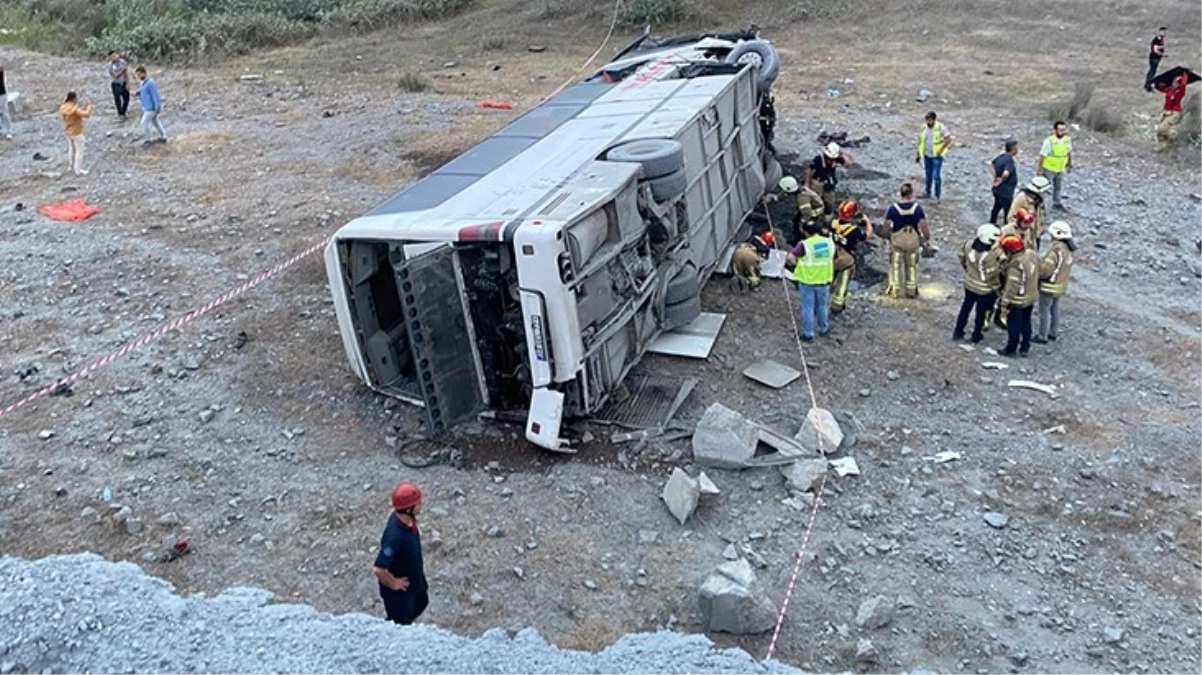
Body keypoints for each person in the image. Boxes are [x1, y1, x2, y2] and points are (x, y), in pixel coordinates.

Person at [373, 483, 429, 626]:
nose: (421, 505)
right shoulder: (394, 537)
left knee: (422, 602)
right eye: (417, 503)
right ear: (409, 509)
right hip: (400, 595)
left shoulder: (407, 520)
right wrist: (393, 583)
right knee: (401, 622)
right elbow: (379, 569)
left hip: (414, 582)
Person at [954, 224, 1004, 343]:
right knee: (980, 313)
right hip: (984, 289)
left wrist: (968, 270)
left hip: (969, 284)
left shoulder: (968, 244)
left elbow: (961, 256)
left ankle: (958, 331)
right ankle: (976, 335)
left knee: (965, 308)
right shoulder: (990, 256)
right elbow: (991, 275)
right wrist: (997, 288)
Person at [786, 221, 835, 342]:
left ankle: (808, 334)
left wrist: (795, 264)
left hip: (807, 281)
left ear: (806, 232)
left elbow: (790, 257)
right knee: (822, 306)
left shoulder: (805, 245)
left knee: (808, 308)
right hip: (824, 280)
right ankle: (824, 328)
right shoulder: (829, 242)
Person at [883, 183, 930, 299]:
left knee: (895, 265)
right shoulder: (917, 208)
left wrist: (885, 237)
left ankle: (895, 290)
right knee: (912, 265)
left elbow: (887, 225)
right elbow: (923, 225)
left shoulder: (893, 209)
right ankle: (911, 290)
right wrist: (927, 237)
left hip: (897, 241)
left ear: (901, 194)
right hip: (912, 241)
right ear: (911, 194)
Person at [1033, 221, 1075, 344]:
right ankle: (1053, 332)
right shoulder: (1069, 249)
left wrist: (1038, 271)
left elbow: (1046, 270)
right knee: (1055, 308)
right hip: (1060, 285)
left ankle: (1042, 336)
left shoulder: (1055, 250)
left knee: (1044, 310)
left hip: (1049, 286)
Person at [829, 198, 873, 313]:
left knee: (829, 279)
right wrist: (867, 222)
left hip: (831, 256)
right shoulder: (854, 230)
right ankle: (837, 305)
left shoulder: (833, 224)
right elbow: (868, 235)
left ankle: (825, 298)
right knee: (843, 281)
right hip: (845, 259)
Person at [998, 234, 1038, 357]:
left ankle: (1011, 349)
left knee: (1013, 326)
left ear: (1010, 250)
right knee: (1026, 322)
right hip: (1030, 297)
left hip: (1018, 300)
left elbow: (1011, 287)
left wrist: (1004, 303)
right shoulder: (1031, 254)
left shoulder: (1015, 265)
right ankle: (1025, 347)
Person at [804, 142, 853, 216]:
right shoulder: (819, 159)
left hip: (829, 183)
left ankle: (828, 217)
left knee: (830, 203)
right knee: (815, 202)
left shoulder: (836, 158)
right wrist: (807, 184)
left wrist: (842, 154)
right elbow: (809, 170)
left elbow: (848, 164)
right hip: (817, 183)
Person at [1006, 176, 1051, 250]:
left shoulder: (1038, 199)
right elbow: (1011, 217)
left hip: (1035, 234)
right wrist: (1019, 232)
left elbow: (1040, 215)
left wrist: (1040, 229)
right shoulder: (1021, 198)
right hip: (1024, 235)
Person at [1036, 121, 1072, 211]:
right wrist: (1039, 170)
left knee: (1058, 187)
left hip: (1060, 168)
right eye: (1060, 130)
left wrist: (1069, 163)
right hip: (1049, 168)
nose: (1062, 132)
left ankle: (1057, 203)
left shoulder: (1067, 140)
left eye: (1063, 130)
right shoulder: (1049, 141)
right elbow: (1042, 156)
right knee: (1043, 187)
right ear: (1055, 130)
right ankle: (1040, 204)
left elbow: (1068, 152)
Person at [916, 111, 952, 200]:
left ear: (934, 120)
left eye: (930, 120)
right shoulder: (924, 127)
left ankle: (937, 195)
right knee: (928, 175)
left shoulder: (940, 128)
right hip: (927, 155)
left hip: (936, 156)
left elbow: (948, 139)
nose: (928, 122)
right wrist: (918, 154)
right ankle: (927, 192)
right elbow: (921, 141)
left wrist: (940, 150)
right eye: (927, 120)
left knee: (936, 176)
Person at [59, 92, 92, 176]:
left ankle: (71, 166)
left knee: (71, 149)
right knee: (79, 151)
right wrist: (89, 106)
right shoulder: (74, 109)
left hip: (68, 131)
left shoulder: (63, 107)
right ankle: (78, 170)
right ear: (74, 99)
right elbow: (86, 114)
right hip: (77, 132)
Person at [1154, 71, 1189, 152]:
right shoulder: (1170, 90)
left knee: (1161, 129)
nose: (1174, 83)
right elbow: (1160, 88)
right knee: (1163, 132)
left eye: (1176, 82)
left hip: (1174, 113)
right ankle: (1164, 145)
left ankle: (1173, 138)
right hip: (1166, 112)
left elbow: (1183, 85)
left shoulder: (1180, 92)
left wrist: (1184, 74)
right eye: (1173, 81)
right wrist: (1157, 82)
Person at [988, 140, 1019, 225]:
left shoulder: (1001, 157)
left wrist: (995, 176)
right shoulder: (1009, 161)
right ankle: (1006, 226)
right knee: (1008, 211)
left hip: (997, 190)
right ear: (1013, 150)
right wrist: (1001, 180)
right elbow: (1006, 173)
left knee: (996, 207)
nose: (1017, 150)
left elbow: (991, 164)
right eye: (1016, 149)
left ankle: (992, 222)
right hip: (1006, 192)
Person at [134, 65, 167, 145]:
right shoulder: (143, 83)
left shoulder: (150, 83)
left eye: (139, 74)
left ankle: (148, 140)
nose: (138, 76)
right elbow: (143, 91)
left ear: (144, 73)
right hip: (147, 106)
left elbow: (155, 95)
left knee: (144, 123)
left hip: (151, 108)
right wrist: (137, 93)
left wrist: (157, 107)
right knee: (155, 122)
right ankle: (163, 136)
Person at [108, 52, 131, 120]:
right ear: (111, 58)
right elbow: (115, 75)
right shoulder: (110, 66)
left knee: (126, 98)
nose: (116, 57)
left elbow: (126, 73)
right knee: (117, 99)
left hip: (124, 82)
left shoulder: (122, 62)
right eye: (114, 56)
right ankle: (120, 113)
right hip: (116, 83)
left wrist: (128, 83)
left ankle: (124, 112)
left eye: (116, 55)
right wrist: (122, 71)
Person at [1145, 27, 1167, 92]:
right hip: (1154, 58)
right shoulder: (1157, 40)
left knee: (1152, 71)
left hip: (1156, 58)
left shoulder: (1160, 39)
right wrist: (1163, 55)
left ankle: (1148, 85)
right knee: (1152, 72)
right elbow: (1155, 50)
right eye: (1164, 32)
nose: (1165, 34)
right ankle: (1148, 86)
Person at [0, 59, 13, 140]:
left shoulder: (1, 70)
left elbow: (1, 67)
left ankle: (9, 131)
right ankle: (1, 130)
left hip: (1, 93)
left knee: (4, 113)